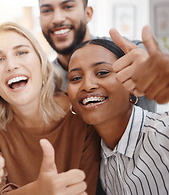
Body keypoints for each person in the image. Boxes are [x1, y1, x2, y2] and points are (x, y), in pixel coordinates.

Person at [0, 22, 101, 194]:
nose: (11, 65)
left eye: (21, 52)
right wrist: (39, 190)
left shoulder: (80, 113)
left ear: (42, 66)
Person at [38, 0, 156, 112]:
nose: (57, 18)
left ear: (88, 14)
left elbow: (149, 62)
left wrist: (152, 67)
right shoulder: (44, 80)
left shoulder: (125, 52)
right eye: (46, 10)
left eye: (68, 7)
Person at [67, 38, 169, 195]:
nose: (87, 85)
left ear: (131, 82)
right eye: (75, 78)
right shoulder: (101, 160)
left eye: (102, 72)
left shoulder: (161, 133)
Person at [110, 25, 169, 104]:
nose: (88, 85)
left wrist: (151, 68)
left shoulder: (131, 48)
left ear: (89, 14)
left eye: (102, 73)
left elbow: (148, 58)